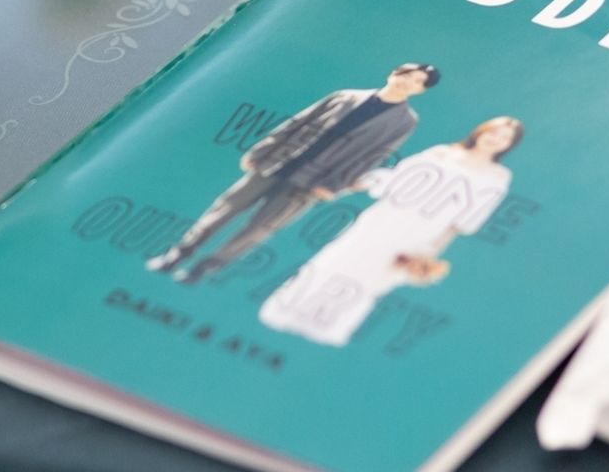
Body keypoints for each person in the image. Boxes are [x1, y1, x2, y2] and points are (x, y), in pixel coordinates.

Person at [146, 63, 440, 285]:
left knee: (260, 227)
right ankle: (178, 254)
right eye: (406, 74)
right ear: (394, 73)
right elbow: (298, 122)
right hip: (279, 162)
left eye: (417, 82)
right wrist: (261, 151)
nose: (407, 82)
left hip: (313, 182)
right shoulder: (345, 95)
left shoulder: (404, 121)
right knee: (226, 208)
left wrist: (335, 185)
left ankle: (204, 269)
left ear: (420, 91)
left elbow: (374, 156)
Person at [258, 116, 523, 346]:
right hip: (385, 219)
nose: (496, 139)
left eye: (504, 138)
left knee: (374, 278)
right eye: (493, 132)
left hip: (421, 235)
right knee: (337, 260)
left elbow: (461, 223)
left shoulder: (498, 177)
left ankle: (326, 327)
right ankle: (286, 312)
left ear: (509, 145)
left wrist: (432, 252)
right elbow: (394, 177)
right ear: (481, 131)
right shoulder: (443, 153)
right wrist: (343, 184)